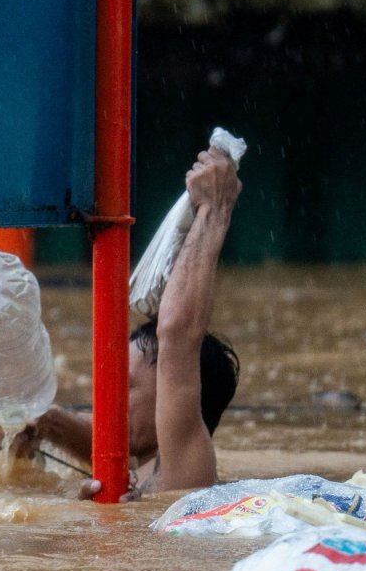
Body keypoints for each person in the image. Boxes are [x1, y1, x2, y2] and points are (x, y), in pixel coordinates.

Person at [14, 147, 243, 496]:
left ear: (178, 399)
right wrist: (48, 426)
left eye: (130, 386)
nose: (109, 399)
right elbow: (102, 434)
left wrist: (215, 208)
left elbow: (177, 337)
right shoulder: (139, 468)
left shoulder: (183, 470)